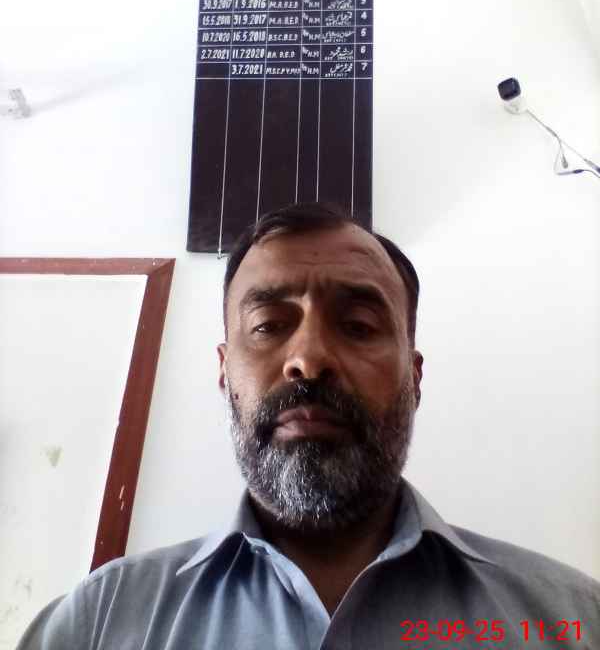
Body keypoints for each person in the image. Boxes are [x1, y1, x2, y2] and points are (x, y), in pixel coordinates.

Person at [18, 202, 600, 649]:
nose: (309, 358)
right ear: (224, 372)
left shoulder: (573, 620)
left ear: (414, 377)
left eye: (359, 325)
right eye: (269, 325)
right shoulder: (98, 622)